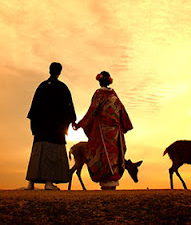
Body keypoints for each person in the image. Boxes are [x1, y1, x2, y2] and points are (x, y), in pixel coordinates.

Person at [74, 71, 133, 190]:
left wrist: (81, 124)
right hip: (115, 131)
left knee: (103, 155)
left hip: (102, 131)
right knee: (114, 155)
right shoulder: (114, 96)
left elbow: (92, 111)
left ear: (100, 82)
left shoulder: (98, 94)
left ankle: (106, 180)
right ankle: (113, 180)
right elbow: (122, 112)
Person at [26, 62, 76, 190]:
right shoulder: (62, 88)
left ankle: (31, 183)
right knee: (51, 154)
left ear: (49, 71)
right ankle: (49, 183)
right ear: (60, 72)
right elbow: (68, 107)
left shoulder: (42, 86)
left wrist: (34, 126)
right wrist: (72, 121)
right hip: (55, 129)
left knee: (37, 153)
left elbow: (34, 107)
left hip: (41, 128)